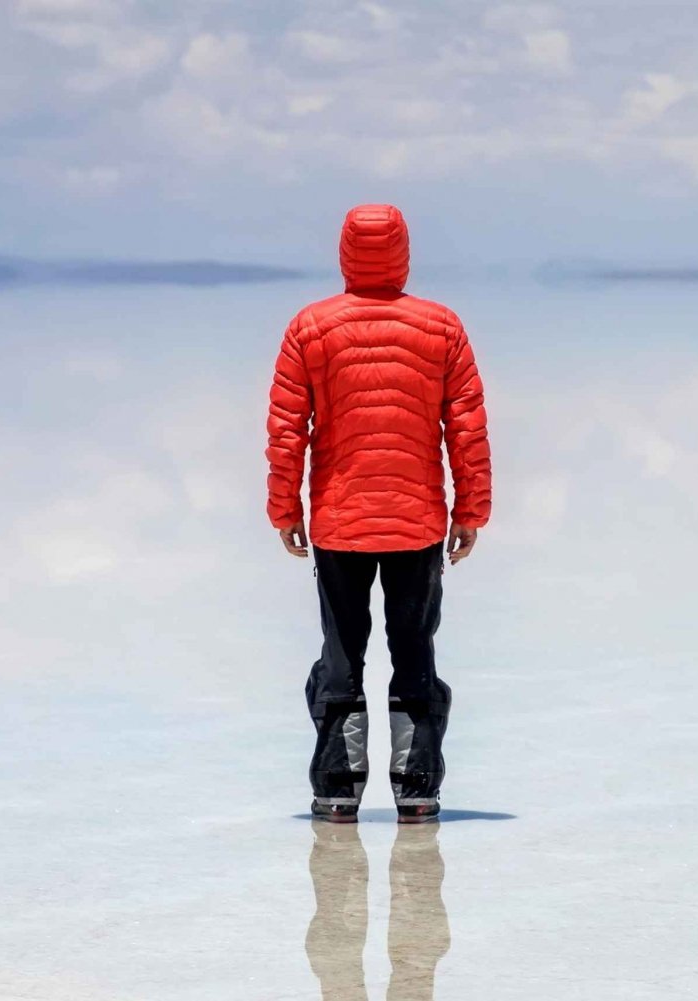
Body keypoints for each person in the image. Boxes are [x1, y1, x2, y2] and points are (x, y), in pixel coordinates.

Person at [265, 203, 492, 825]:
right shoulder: (441, 326)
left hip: (339, 524)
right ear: (403, 253)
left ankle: (337, 791)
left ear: (344, 253)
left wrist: (284, 507)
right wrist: (471, 508)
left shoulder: (310, 327)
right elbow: (466, 428)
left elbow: (288, 430)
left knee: (342, 655)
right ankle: (416, 790)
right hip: (418, 523)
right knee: (414, 651)